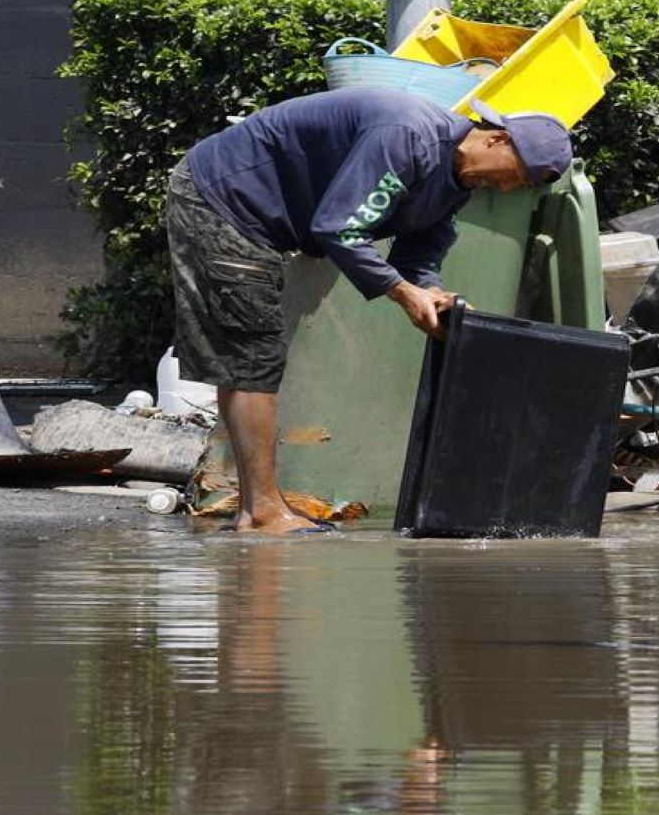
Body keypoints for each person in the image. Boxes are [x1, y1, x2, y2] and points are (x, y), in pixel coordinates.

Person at [163, 87, 574, 534]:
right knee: (252, 355)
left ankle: (259, 509)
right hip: (224, 197)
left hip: (266, 219)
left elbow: (419, 256)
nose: (509, 187)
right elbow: (340, 228)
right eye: (519, 174)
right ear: (496, 139)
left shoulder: (458, 179)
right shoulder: (407, 136)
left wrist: (431, 293)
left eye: (524, 186)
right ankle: (261, 511)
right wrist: (402, 293)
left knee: (255, 356)